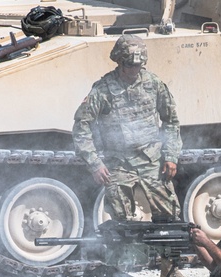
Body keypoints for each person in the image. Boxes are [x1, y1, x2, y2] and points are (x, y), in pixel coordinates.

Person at [72, 34, 182, 222]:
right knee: (121, 220)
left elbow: (171, 121)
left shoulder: (154, 84)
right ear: (119, 62)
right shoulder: (103, 90)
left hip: (151, 160)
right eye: (129, 65)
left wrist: (171, 156)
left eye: (137, 66)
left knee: (169, 216)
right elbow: (82, 126)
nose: (133, 70)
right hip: (118, 162)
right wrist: (94, 163)